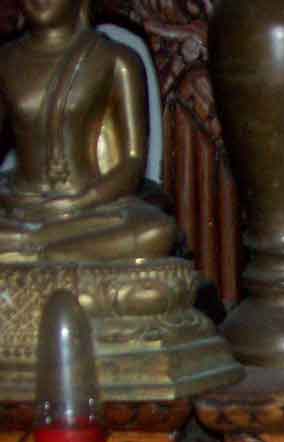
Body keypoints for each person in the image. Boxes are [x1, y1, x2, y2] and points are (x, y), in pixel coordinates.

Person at [0, 0, 175, 261]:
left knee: (155, 231)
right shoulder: (5, 61)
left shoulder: (117, 60)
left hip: (89, 210)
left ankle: (37, 249)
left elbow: (133, 161)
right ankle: (50, 251)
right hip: (21, 207)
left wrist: (81, 201)